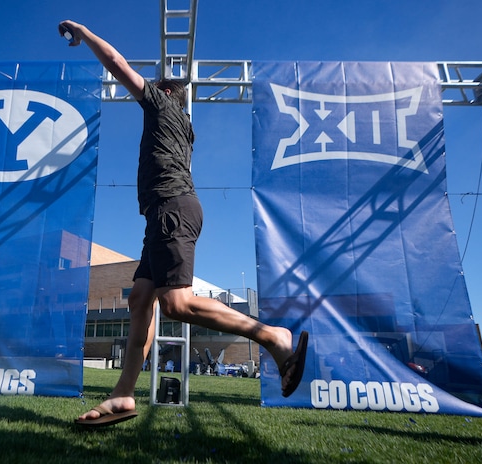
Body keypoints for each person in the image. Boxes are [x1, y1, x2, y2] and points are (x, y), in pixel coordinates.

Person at [58, 20, 309, 427]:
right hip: (164, 213)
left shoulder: (161, 103)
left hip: (171, 208)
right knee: (141, 299)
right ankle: (122, 396)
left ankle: (273, 337)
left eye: (157, 85)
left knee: (177, 302)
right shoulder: (183, 128)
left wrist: (85, 34)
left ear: (167, 92)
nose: (150, 88)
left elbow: (117, 63)